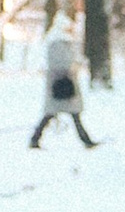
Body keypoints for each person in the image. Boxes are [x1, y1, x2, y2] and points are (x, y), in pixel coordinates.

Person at [30, 22, 96, 150]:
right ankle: (85, 140)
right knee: (71, 114)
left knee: (53, 114)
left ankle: (35, 138)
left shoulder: (58, 43)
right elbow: (64, 63)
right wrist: (73, 68)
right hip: (63, 84)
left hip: (60, 84)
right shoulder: (60, 44)